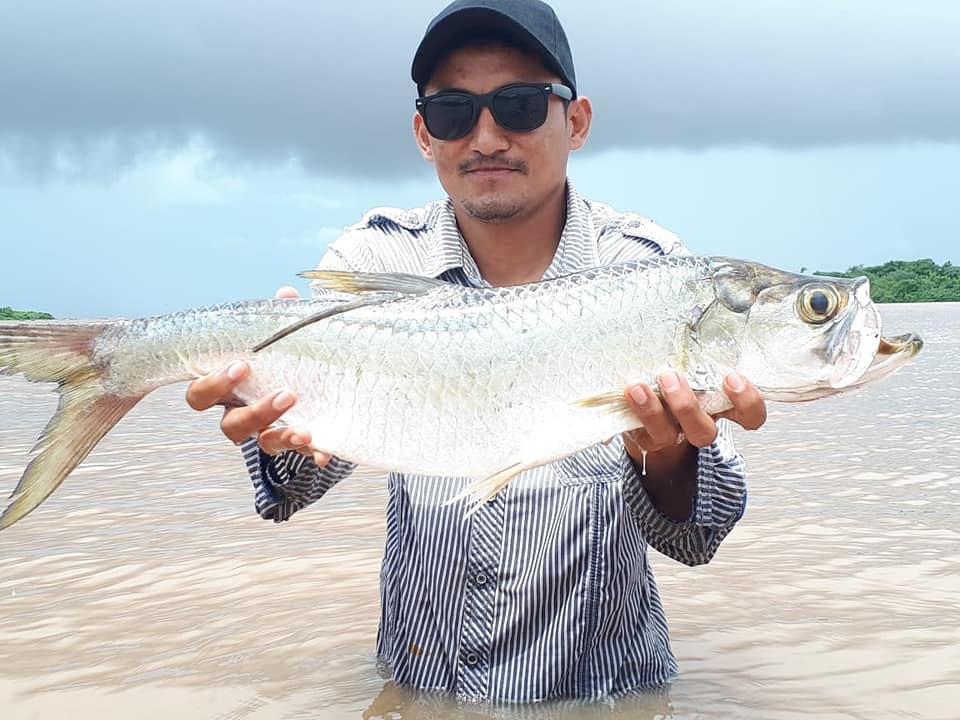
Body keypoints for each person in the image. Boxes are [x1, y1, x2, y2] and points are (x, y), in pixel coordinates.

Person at [186, 0, 766, 703]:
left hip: (603, 695)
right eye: (454, 113)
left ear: (576, 121)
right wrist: (276, 432)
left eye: (519, 105)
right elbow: (294, 489)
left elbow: (699, 538)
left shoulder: (652, 272)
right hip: (422, 686)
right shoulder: (375, 254)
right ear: (424, 134)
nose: (486, 136)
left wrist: (667, 452)